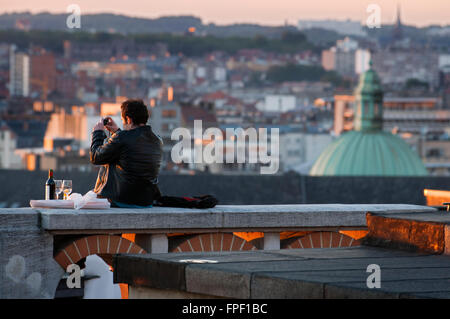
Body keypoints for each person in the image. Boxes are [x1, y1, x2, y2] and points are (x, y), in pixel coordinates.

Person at [90, 99, 163, 208]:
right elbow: (129, 148)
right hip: (146, 202)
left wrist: (97, 133)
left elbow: (95, 157)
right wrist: (117, 132)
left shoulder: (122, 138)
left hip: (121, 200)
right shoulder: (158, 141)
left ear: (128, 119)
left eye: (123, 120)